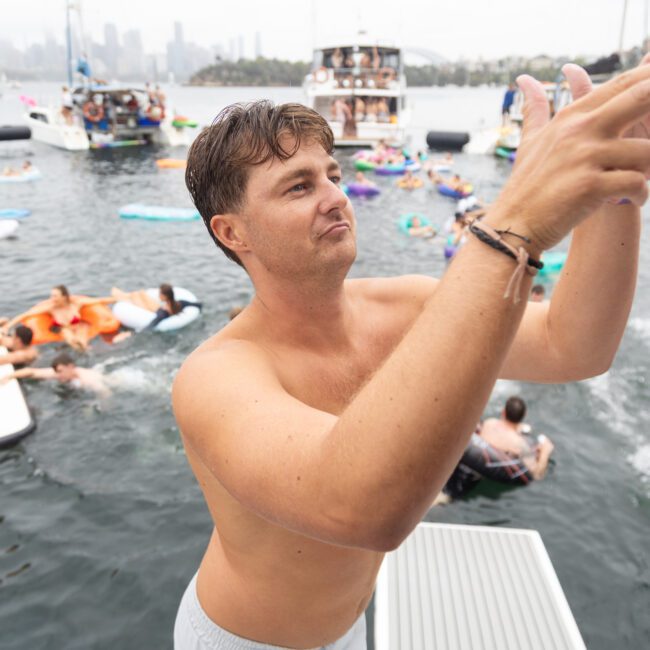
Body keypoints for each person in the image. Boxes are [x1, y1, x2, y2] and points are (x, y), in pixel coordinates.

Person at [173, 57, 649, 649]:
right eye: (299, 185)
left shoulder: (405, 307)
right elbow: (362, 509)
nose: (334, 198)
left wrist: (615, 187)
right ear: (232, 232)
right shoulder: (214, 377)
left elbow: (574, 345)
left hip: (348, 625)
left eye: (334, 175)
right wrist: (512, 224)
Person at [1, 285, 105, 351]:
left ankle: (85, 349)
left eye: (55, 296)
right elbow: (26, 315)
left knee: (83, 338)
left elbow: (99, 301)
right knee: (69, 336)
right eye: (52, 296)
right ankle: (80, 349)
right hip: (63, 329)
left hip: (79, 327)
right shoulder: (51, 308)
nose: (52, 299)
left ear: (64, 296)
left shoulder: (76, 303)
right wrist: (8, 326)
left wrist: (118, 298)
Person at [479, 396, 555, 481]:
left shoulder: (489, 423)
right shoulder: (519, 444)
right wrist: (545, 452)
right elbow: (536, 474)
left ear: (503, 412)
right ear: (524, 415)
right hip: (492, 472)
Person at [1, 352, 109, 395]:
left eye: (61, 371)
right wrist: (9, 376)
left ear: (71, 367)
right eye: (57, 372)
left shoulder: (88, 379)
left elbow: (105, 393)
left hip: (112, 382)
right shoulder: (60, 373)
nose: (58, 375)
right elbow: (31, 372)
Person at [110, 283, 202, 330]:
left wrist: (134, 332)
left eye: (160, 294)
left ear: (165, 296)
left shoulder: (164, 313)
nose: (159, 296)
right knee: (140, 293)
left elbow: (152, 324)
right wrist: (199, 308)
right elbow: (196, 304)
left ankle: (118, 296)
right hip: (157, 307)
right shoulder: (180, 303)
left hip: (151, 310)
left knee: (135, 296)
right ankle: (120, 295)